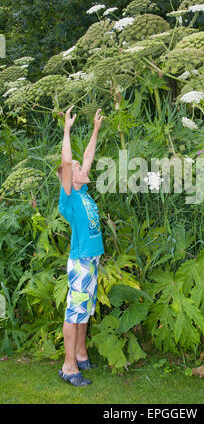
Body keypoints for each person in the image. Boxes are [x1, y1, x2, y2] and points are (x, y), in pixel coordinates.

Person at [56, 105, 105, 386]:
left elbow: (87, 156)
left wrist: (95, 129)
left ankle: (81, 353)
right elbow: (68, 160)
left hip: (92, 260)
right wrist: (66, 129)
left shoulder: (82, 189)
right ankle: (69, 366)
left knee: (85, 310)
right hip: (80, 262)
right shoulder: (71, 198)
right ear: (69, 179)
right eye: (76, 168)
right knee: (74, 312)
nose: (82, 167)